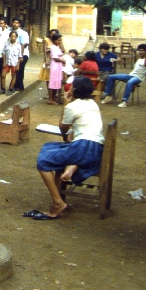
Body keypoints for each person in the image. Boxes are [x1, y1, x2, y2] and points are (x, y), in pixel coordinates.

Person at [23, 76, 104, 220]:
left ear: (74, 90)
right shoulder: (92, 103)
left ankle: (58, 202)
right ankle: (72, 166)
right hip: (95, 148)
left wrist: (65, 105)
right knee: (49, 147)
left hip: (83, 148)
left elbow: (63, 128)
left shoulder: (72, 106)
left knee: (43, 162)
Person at [101, 44, 146, 109]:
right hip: (131, 75)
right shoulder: (139, 59)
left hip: (138, 78)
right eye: (139, 50)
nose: (140, 52)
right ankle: (108, 95)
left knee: (130, 82)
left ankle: (124, 101)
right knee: (111, 77)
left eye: (142, 50)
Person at [1, 30, 22, 95]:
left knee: (13, 76)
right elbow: (4, 53)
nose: (13, 37)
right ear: (10, 37)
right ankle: (3, 88)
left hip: (14, 63)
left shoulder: (18, 45)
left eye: (14, 36)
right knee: (3, 75)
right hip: (7, 62)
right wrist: (4, 62)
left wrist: (18, 65)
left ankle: (11, 88)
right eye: (12, 36)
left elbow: (19, 56)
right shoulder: (6, 44)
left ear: (16, 37)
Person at [12, 18, 30, 92]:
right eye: (14, 22)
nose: (15, 24)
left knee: (20, 70)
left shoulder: (23, 33)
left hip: (23, 54)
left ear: (19, 24)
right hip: (14, 55)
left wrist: (20, 55)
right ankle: (15, 85)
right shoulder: (10, 32)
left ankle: (20, 86)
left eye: (16, 23)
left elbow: (25, 44)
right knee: (15, 70)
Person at [48, 33, 65, 105]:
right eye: (58, 40)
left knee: (57, 82)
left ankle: (54, 99)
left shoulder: (57, 47)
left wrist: (61, 43)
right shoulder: (53, 47)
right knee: (53, 82)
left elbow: (63, 50)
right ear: (54, 40)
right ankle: (51, 99)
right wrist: (63, 61)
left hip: (59, 66)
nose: (60, 41)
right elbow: (55, 58)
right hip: (55, 66)